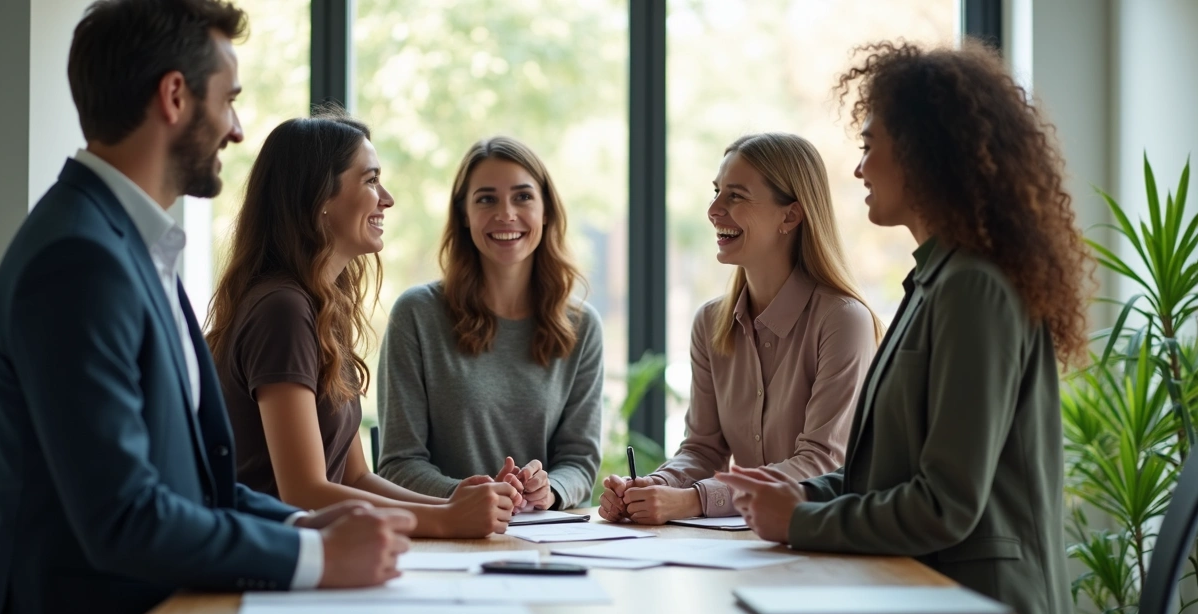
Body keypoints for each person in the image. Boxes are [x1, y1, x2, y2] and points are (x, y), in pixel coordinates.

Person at [0, 2, 413, 614]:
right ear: (175, 97)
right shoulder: (78, 259)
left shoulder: (133, 246)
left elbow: (200, 489)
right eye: (229, 100)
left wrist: (302, 524)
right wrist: (316, 556)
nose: (237, 130)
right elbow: (124, 515)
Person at [717, 41, 1088, 614]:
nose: (859, 169)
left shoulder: (974, 288)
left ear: (923, 152)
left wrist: (800, 519)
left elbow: (946, 504)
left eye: (869, 147)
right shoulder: (934, 283)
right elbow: (886, 478)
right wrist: (800, 491)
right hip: (927, 596)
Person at [206, 110, 520, 538]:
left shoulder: (320, 308)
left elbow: (355, 478)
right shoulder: (282, 310)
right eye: (370, 181)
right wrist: (446, 520)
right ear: (319, 197)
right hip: (273, 559)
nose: (386, 199)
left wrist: (453, 504)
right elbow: (302, 492)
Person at [598, 133, 880, 525]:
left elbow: (821, 463)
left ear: (790, 216)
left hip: (820, 539)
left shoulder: (843, 321)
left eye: (735, 196)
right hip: (747, 543)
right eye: (717, 192)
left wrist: (694, 500)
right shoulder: (710, 322)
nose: (714, 210)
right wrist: (650, 487)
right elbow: (703, 450)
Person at [378, 136, 604, 511]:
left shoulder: (582, 326)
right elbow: (398, 464)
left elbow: (579, 461)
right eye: (486, 199)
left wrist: (549, 490)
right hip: (447, 531)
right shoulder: (416, 315)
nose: (506, 214)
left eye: (523, 197)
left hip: (544, 532)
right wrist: (469, 497)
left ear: (546, 211)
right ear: (464, 215)